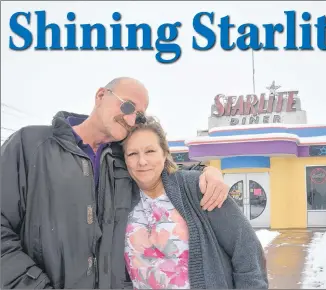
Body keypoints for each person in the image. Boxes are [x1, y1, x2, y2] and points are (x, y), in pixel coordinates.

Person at [0, 77, 229, 289]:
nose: (130, 120)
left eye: (138, 116)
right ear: (101, 95)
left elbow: (166, 173)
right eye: (128, 106)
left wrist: (205, 171)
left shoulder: (126, 159)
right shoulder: (31, 145)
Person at [119, 116, 268, 289]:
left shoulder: (198, 187)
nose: (142, 161)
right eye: (132, 154)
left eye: (150, 151)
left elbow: (245, 247)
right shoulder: (119, 200)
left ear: (165, 153)